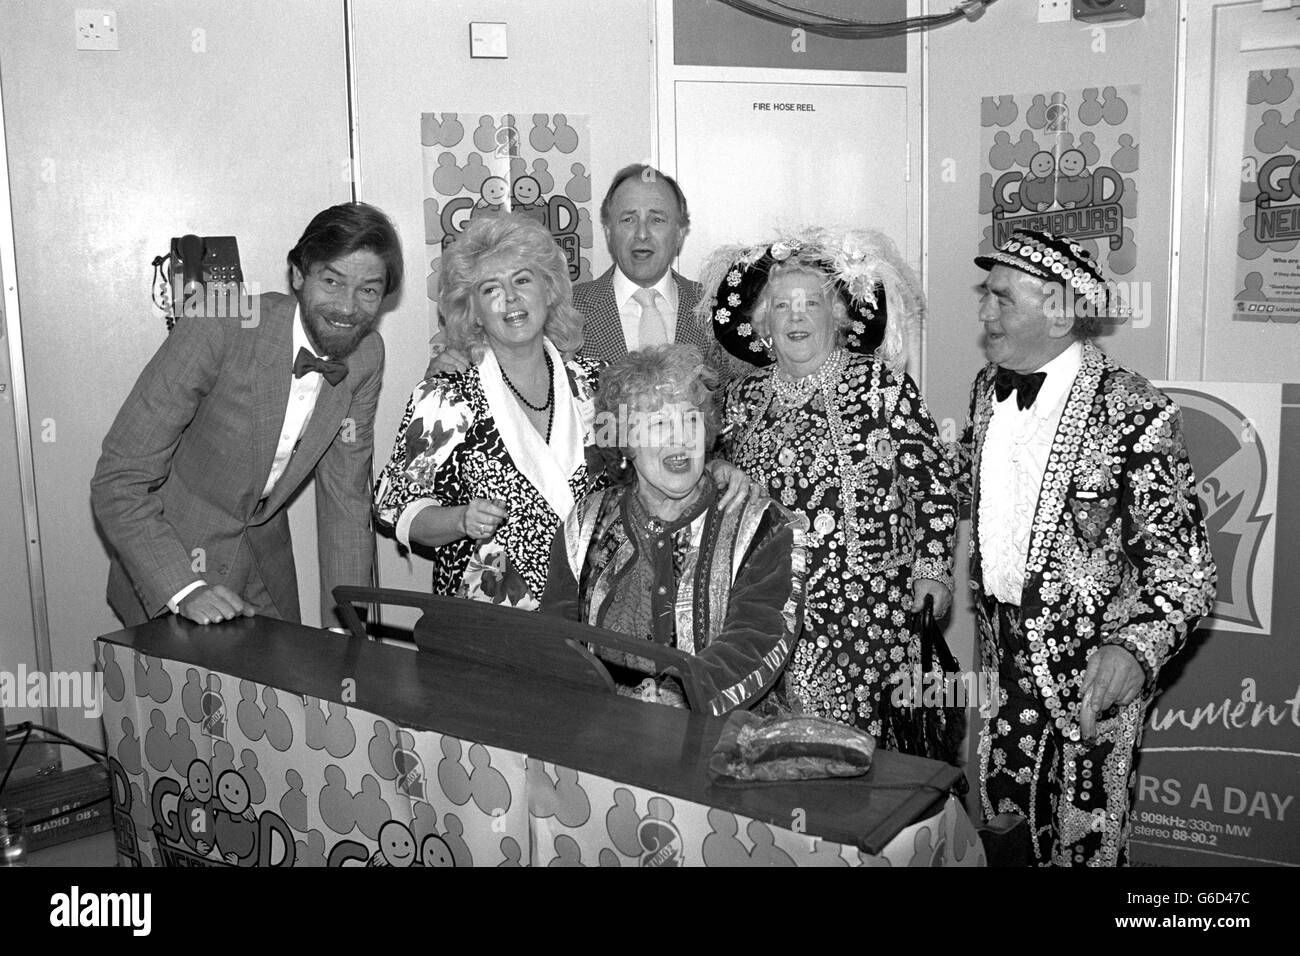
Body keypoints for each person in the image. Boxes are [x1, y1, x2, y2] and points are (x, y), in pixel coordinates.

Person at [953, 228, 1215, 866]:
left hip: (1090, 684)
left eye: (1002, 299)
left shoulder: (1135, 410)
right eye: (986, 295)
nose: (985, 312)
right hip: (1002, 664)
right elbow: (968, 491)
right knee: (1005, 836)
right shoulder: (986, 390)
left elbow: (1187, 572)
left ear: (1060, 312)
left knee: (1081, 849)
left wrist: (1133, 650)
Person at [374, 215, 749, 610]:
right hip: (486, 626)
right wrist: (459, 520)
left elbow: (642, 458)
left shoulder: (594, 384)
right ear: (473, 311)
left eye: (522, 280)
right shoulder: (446, 398)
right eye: (490, 289)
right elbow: (395, 505)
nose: (510, 299)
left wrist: (710, 470)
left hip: (595, 614)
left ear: (548, 290)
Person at [91, 202, 403, 627]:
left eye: (368, 290)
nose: (347, 307)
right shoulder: (220, 325)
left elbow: (346, 499)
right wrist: (185, 590)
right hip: (171, 557)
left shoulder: (366, 355)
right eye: (332, 281)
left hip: (263, 566)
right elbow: (120, 477)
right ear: (298, 274)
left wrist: (343, 624)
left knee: (298, 689)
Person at [704, 227, 957, 735]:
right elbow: (706, 480)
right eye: (781, 306)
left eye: (811, 303)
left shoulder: (883, 387)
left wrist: (933, 570)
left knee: (865, 761)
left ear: (837, 318)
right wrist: (716, 467)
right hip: (766, 612)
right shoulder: (741, 399)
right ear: (762, 325)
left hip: (869, 614)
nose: (796, 316)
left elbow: (933, 486)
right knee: (778, 754)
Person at [541, 344, 807, 716]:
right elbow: (556, 634)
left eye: (691, 421)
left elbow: (755, 640)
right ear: (626, 442)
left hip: (718, 743)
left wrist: (676, 697)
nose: (680, 438)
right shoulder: (586, 521)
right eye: (658, 424)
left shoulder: (762, 525)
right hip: (597, 731)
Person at [425, 163, 719, 370]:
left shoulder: (715, 311)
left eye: (657, 219)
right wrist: (448, 369)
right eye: (628, 219)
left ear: (680, 232)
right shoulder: (558, 309)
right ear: (607, 230)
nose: (641, 233)